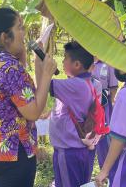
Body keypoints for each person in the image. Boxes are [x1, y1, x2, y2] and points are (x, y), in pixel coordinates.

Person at [0, 8, 57, 187]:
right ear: (4, 37)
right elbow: (33, 113)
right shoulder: (10, 68)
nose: (24, 32)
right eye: (20, 28)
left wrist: (23, 57)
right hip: (13, 155)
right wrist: (46, 75)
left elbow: (10, 90)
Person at [38, 41, 99, 187]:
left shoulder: (76, 85)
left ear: (77, 65)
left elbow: (43, 85)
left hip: (69, 151)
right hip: (79, 150)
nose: (62, 61)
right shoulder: (88, 83)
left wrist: (40, 62)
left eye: (65, 58)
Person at [91, 57, 118, 167]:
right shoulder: (84, 58)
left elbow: (113, 87)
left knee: (104, 135)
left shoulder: (108, 62)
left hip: (104, 105)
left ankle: (106, 167)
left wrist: (109, 102)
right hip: (85, 104)